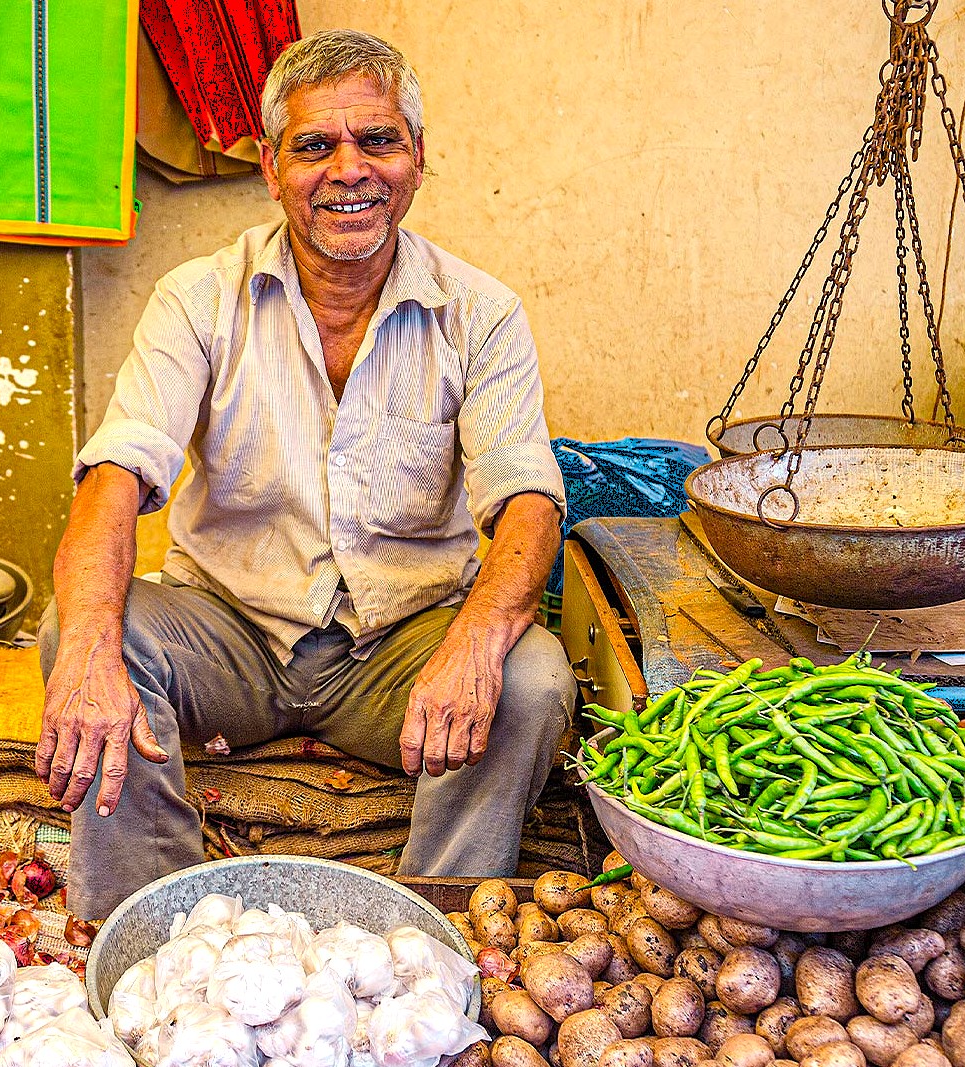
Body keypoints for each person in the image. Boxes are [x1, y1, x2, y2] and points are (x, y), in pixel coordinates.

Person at [37, 27, 576, 918]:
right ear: (271, 165)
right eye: (315, 145)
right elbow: (116, 477)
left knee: (533, 678)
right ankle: (147, 926)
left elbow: (527, 501)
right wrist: (91, 651)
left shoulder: (480, 312)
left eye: (378, 141)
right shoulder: (199, 298)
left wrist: (475, 644)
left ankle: (433, 928)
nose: (349, 169)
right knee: (84, 629)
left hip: (399, 642)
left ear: (417, 158)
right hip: (228, 635)